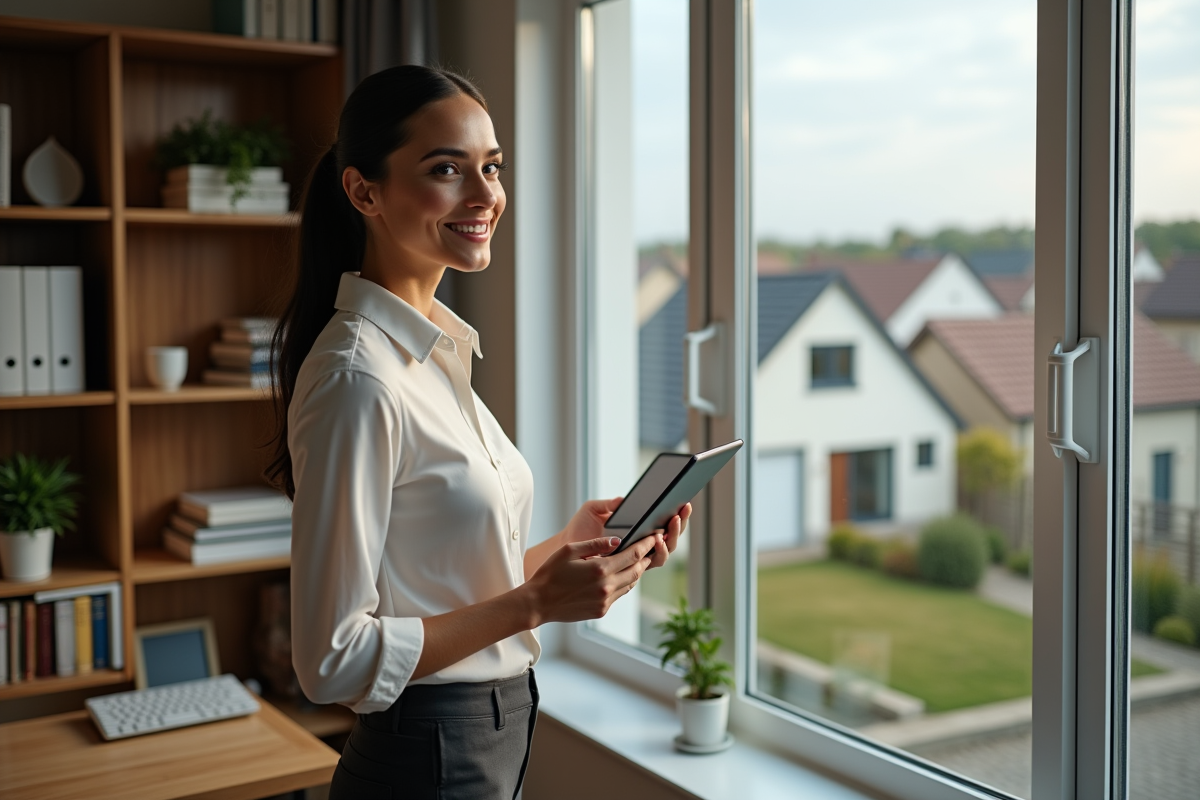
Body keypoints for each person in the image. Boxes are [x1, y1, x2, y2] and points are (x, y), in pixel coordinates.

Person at [266, 65, 690, 799]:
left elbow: (439, 583)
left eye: (491, 167)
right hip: (424, 752)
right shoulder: (359, 378)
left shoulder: (435, 353)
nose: (485, 194)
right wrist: (533, 606)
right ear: (364, 191)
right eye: (446, 169)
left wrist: (567, 544)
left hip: (495, 730)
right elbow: (331, 659)